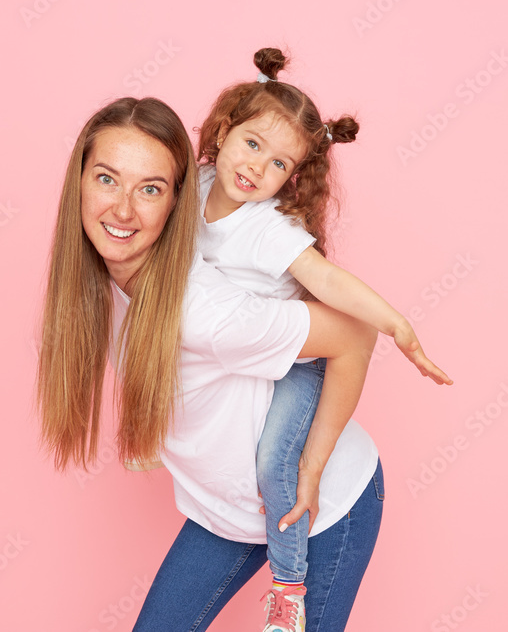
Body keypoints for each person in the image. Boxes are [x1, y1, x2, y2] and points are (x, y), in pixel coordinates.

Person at [38, 96, 387, 630]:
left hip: (323, 506)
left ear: (176, 200)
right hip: (226, 510)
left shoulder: (206, 314)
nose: (123, 210)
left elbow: (354, 335)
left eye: (150, 188)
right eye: (107, 179)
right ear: (78, 182)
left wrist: (313, 466)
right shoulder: (101, 276)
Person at [191, 48, 452, 631]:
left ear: (292, 177)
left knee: (274, 462)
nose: (256, 168)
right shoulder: (195, 185)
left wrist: (397, 324)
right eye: (252, 143)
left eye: (279, 163)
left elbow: (328, 281)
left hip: (298, 363)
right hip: (251, 361)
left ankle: (288, 591)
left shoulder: (265, 227)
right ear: (224, 131)